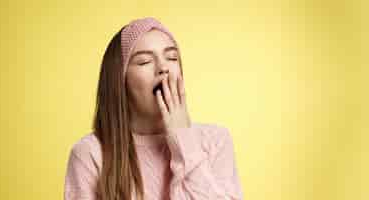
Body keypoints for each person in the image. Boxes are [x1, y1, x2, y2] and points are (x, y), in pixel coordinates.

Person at [64, 17, 243, 200]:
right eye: (144, 61)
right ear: (120, 81)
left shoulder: (216, 141)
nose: (163, 68)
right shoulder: (90, 154)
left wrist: (184, 139)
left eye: (172, 57)